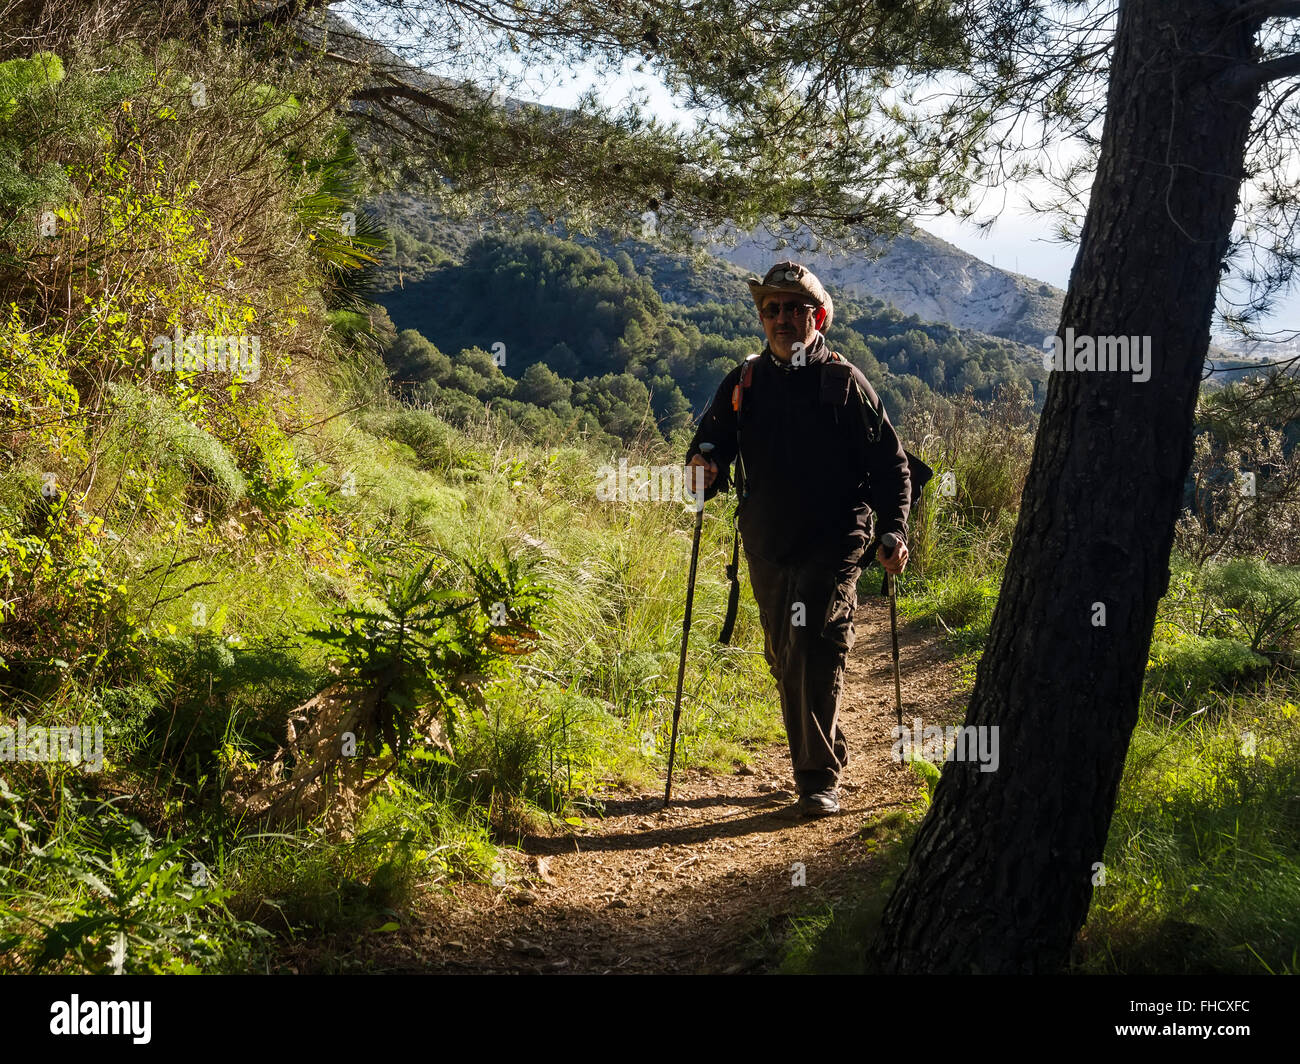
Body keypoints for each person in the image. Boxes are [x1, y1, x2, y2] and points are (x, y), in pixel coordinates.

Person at [685, 261, 911, 816]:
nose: (782, 318)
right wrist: (700, 470)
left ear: (819, 317)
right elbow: (708, 447)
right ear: (763, 318)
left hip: (835, 541)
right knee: (784, 654)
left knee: (808, 644)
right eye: (772, 309)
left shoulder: (844, 383)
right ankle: (827, 745)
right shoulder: (745, 381)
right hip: (766, 540)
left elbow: (891, 466)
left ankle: (815, 780)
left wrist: (892, 529)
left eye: (794, 308)